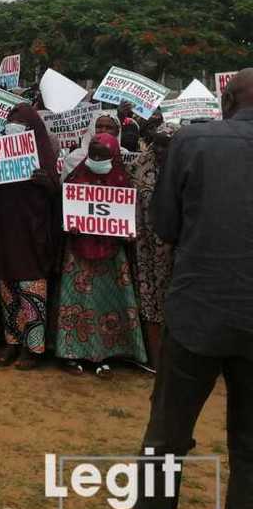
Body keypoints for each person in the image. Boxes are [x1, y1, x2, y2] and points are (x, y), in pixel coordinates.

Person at [130, 69, 253, 509]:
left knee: (167, 437)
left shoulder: (192, 141)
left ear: (226, 100)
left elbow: (165, 226)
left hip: (197, 314)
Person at [55, 133, 147, 378]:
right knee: (76, 304)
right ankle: (72, 353)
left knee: (107, 306)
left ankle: (105, 356)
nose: (96, 160)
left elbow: (129, 217)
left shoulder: (122, 182)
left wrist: (128, 232)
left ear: (114, 157)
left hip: (111, 257)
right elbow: (64, 209)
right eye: (93, 155)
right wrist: (70, 223)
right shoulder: (76, 177)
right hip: (78, 254)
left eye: (102, 156)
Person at [0, 103, 60, 370]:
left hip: (33, 235)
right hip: (6, 232)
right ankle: (12, 342)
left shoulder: (44, 157)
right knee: (8, 291)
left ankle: (34, 347)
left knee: (31, 289)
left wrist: (49, 185)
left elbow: (58, 197)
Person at [129, 122, 178, 369]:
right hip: (145, 247)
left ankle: (175, 362)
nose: (158, 148)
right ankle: (156, 361)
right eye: (155, 142)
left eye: (165, 144)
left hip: (177, 252)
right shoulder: (139, 166)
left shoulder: (186, 169)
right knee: (149, 300)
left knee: (175, 303)